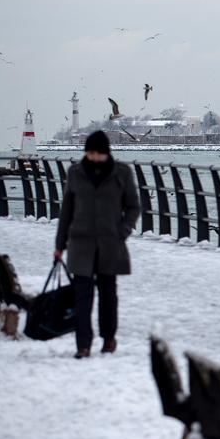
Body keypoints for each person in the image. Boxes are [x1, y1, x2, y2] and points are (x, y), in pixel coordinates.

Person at [54, 131, 141, 358]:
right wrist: (59, 244)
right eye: (90, 153)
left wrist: (122, 232)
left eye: (98, 153)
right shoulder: (75, 173)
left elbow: (133, 207)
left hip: (110, 244)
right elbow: (67, 211)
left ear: (106, 153)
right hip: (80, 243)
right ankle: (83, 344)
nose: (93, 158)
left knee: (108, 294)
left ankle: (108, 338)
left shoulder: (122, 173)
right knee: (82, 296)